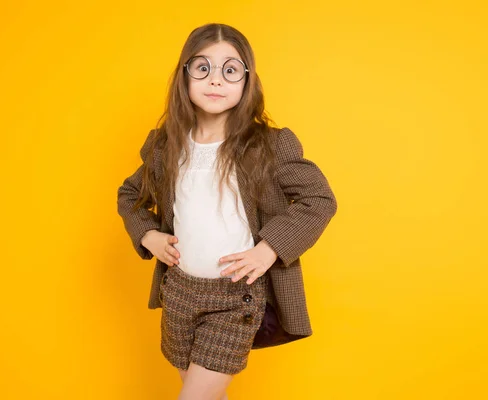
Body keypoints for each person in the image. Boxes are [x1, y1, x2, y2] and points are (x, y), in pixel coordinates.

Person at [117, 23, 337, 400]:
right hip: (180, 293)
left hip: (237, 297)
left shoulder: (269, 145)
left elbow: (319, 199)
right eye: (202, 68)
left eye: (230, 70)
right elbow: (129, 195)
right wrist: (148, 235)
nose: (216, 80)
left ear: (246, 80)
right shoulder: (165, 146)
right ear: (184, 75)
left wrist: (269, 249)